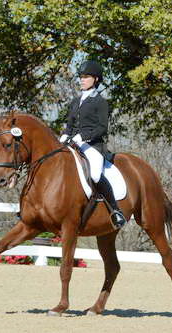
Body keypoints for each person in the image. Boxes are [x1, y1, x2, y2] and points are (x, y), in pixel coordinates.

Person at [59, 60, 126, 229]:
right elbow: (70, 124)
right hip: (74, 143)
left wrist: (83, 137)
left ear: (95, 79)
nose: (82, 80)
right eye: (81, 77)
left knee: (95, 175)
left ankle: (115, 211)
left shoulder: (100, 102)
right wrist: (65, 135)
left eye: (86, 77)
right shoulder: (76, 101)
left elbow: (102, 128)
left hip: (93, 146)